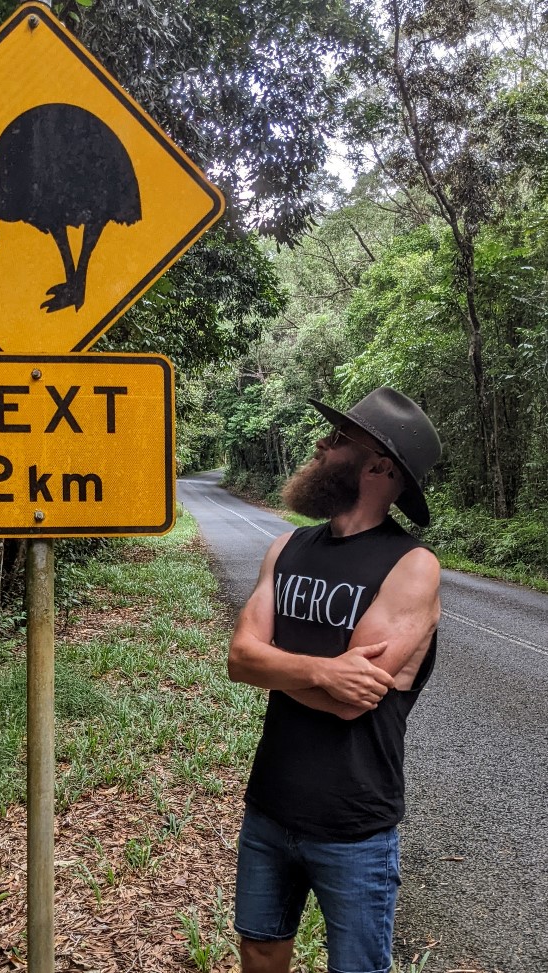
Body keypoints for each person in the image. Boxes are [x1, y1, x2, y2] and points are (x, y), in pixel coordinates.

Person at [228, 387, 442, 973]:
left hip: (353, 822)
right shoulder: (287, 546)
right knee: (260, 947)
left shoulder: (411, 566)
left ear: (379, 467)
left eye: (341, 439)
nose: (322, 445)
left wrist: (272, 661)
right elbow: (238, 660)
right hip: (270, 803)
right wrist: (323, 670)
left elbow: (354, 702)